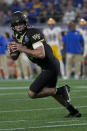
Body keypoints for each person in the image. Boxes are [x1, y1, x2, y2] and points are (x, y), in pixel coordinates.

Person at [8, 11, 81, 117]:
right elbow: (15, 56)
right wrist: (12, 52)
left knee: (32, 93)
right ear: (13, 26)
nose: (18, 26)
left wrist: (22, 48)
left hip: (50, 66)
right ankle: (73, 111)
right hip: (47, 66)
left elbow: (41, 54)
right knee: (52, 92)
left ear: (25, 23)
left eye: (20, 23)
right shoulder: (16, 35)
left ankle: (61, 89)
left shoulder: (33, 33)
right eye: (16, 24)